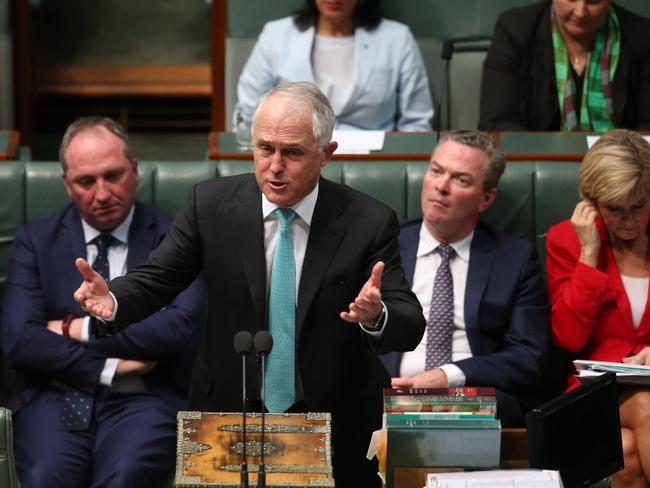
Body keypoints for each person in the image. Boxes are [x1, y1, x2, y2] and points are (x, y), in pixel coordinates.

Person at [73, 83, 425, 487]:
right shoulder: (209, 205)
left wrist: (376, 315)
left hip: (334, 419)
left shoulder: (368, 220)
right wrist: (114, 298)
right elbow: (158, 278)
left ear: (326, 154)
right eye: (264, 148)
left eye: (292, 152)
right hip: (227, 411)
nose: (275, 165)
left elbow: (409, 321)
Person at [0, 116, 206, 488]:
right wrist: (112, 368)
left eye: (113, 176)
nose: (102, 193)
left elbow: (178, 330)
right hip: (55, 394)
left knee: (126, 474)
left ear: (135, 170)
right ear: (66, 184)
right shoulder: (38, 238)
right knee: (47, 477)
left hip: (145, 399)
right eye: (85, 181)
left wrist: (73, 328)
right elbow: (19, 339)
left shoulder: (175, 238)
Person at [381, 130, 550, 427]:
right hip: (387, 396)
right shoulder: (384, 244)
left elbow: (528, 357)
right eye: (436, 171)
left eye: (461, 179)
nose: (441, 186)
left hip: (474, 401)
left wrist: (449, 375)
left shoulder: (515, 258)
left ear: (486, 198)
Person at [547, 129, 650, 487]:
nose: (629, 220)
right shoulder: (565, 240)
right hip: (593, 397)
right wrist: (589, 255)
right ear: (591, 203)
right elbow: (569, 338)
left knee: (628, 454)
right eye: (615, 209)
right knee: (643, 407)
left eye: (639, 206)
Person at [233, 0, 433, 131]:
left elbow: (417, 122)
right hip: (293, 156)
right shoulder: (276, 35)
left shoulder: (397, 38)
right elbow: (250, 112)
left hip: (373, 163)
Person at [479, 0, 650, 132]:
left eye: (594, 1)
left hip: (620, 168)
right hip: (537, 164)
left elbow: (647, 127)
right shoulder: (515, 29)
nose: (581, 11)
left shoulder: (643, 36)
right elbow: (496, 123)